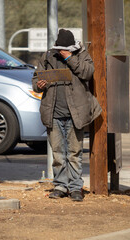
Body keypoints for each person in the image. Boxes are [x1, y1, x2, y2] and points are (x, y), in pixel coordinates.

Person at [32, 29, 102, 202]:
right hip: (53, 112)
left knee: (74, 152)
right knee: (57, 152)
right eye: (59, 49)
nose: (61, 51)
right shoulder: (48, 56)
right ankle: (60, 186)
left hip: (75, 112)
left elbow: (87, 72)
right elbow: (35, 80)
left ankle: (76, 187)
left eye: (64, 49)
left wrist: (69, 58)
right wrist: (39, 85)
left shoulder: (82, 54)